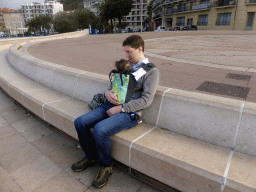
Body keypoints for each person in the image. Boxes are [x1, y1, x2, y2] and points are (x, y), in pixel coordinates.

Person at [72, 35, 159, 188]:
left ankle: (106, 166)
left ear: (140, 49)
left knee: (100, 130)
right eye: (125, 52)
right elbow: (113, 86)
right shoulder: (127, 65)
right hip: (109, 105)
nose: (126, 56)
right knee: (80, 122)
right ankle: (91, 157)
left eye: (129, 52)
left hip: (129, 113)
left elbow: (146, 100)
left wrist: (122, 108)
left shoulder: (151, 71)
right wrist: (107, 93)